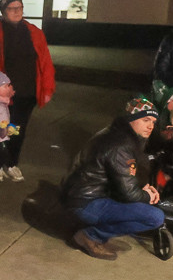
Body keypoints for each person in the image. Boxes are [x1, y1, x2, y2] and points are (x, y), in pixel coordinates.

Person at [61, 97, 165, 260]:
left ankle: (97, 235)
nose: (151, 126)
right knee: (154, 217)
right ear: (131, 119)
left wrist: (143, 186)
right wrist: (147, 196)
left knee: (143, 207)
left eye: (153, 121)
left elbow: (123, 175)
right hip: (86, 202)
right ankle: (90, 236)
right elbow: (128, 193)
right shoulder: (120, 145)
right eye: (145, 120)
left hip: (85, 194)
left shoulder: (119, 134)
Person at [0, 0, 55, 182]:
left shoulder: (34, 32)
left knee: (18, 129)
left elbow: (45, 62)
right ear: (3, 12)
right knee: (3, 129)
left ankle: (10, 163)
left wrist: (47, 89)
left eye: (19, 8)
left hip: (28, 92)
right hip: (5, 94)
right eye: (12, 8)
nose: (17, 11)